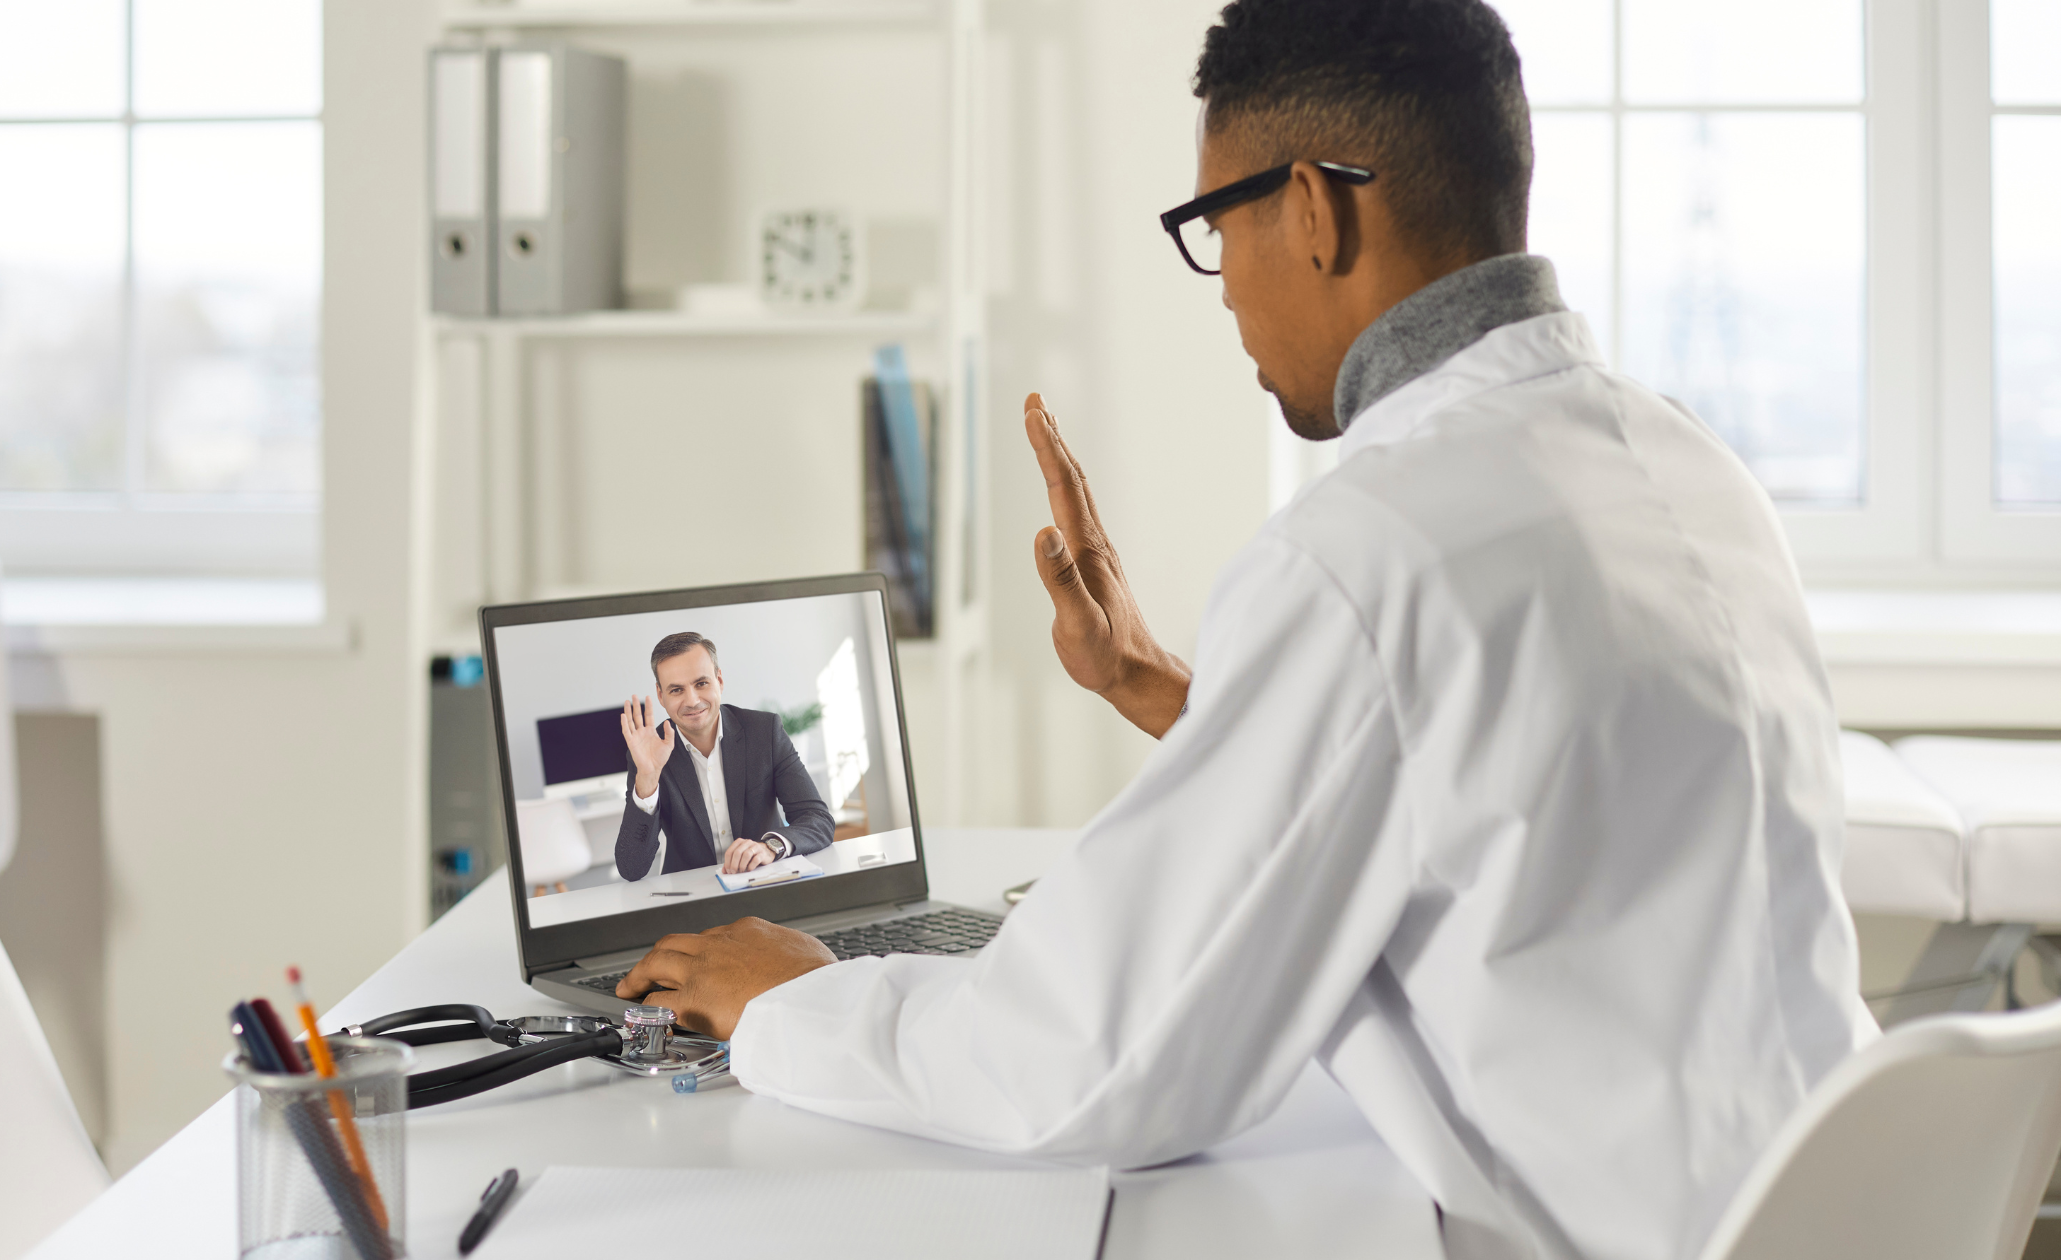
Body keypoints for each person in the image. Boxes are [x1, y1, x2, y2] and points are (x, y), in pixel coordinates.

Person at [614, 2, 1874, 1256]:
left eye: (1214, 228)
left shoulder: (1367, 550)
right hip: (1827, 1205)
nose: (1220, 295)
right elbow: (1493, 773)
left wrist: (798, 1000)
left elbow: (1100, 1062)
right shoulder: (1681, 462)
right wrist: (1161, 687)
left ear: (1314, 209)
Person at [614, 631, 834, 881]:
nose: (692, 700)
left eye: (701, 683)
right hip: (694, 899)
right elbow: (631, 868)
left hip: (766, 882)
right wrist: (648, 780)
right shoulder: (649, 753)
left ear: (719, 680)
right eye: (676, 690)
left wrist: (770, 848)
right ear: (661, 695)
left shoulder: (764, 732)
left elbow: (817, 820)